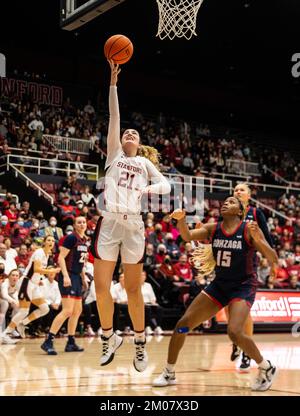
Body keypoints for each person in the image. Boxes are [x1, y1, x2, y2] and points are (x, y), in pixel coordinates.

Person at [90, 60, 171, 372]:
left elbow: (165, 184)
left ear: (140, 144)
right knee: (102, 287)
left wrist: (147, 191)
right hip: (109, 222)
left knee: (134, 290)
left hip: (134, 226)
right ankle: (110, 338)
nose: (129, 133)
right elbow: (115, 116)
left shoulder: (144, 165)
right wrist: (112, 83)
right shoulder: (114, 154)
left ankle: (139, 343)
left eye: (134, 133)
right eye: (127, 132)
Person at [153, 197, 278, 392]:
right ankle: (169, 372)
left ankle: (266, 367)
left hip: (243, 286)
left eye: (231, 202)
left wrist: (259, 239)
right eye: (224, 201)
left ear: (240, 212)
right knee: (182, 327)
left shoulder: (248, 229)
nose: (225, 203)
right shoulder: (214, 229)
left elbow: (273, 257)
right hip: (219, 285)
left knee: (235, 332)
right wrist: (182, 220)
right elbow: (187, 236)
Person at [227, 182, 274, 371]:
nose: (238, 192)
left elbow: (268, 240)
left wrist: (271, 261)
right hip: (227, 266)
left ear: (248, 195)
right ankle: (237, 343)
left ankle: (246, 352)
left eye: (242, 190)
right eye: (235, 189)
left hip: (247, 267)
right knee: (231, 311)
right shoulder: (228, 210)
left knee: (244, 312)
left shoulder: (256, 214)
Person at [41, 216, 89, 355]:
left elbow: (81, 262)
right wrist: (66, 275)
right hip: (68, 276)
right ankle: (48, 341)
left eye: (84, 222)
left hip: (77, 277)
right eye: (79, 222)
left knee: (77, 311)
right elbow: (61, 257)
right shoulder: (71, 238)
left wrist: (83, 278)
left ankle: (71, 342)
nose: (82, 224)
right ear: (74, 225)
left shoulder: (85, 240)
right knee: (67, 310)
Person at [1, 236, 60, 340]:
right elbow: (37, 269)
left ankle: (23, 323)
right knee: (24, 311)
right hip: (26, 282)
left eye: (53, 241)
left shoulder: (46, 255)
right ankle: (5, 334)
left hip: (34, 284)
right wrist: (51, 271)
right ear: (44, 242)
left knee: (45, 308)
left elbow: (38, 271)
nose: (51, 242)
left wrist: (40, 279)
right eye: (48, 240)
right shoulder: (39, 252)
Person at [0, 269, 20, 343]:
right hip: (2, 297)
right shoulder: (5, 282)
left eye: (17, 275)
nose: (14, 277)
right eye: (13, 275)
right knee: (5, 304)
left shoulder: (18, 283)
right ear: (9, 276)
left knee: (19, 308)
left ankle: (12, 327)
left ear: (19, 277)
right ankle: (1, 332)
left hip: (5, 297)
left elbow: (16, 295)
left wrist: (16, 302)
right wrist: (13, 301)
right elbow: (4, 295)